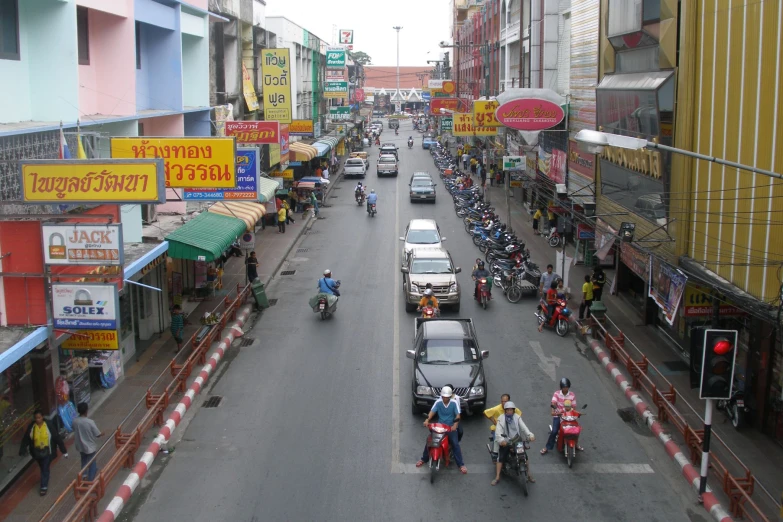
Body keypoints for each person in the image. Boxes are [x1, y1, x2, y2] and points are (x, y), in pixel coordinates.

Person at [416, 387, 467, 474]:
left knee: (455, 444)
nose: (445, 398)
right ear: (441, 396)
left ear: (450, 396)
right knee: (429, 440)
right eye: (443, 396)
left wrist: (455, 425)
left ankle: (461, 464)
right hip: (440, 426)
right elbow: (432, 412)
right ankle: (424, 459)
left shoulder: (454, 403)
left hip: (450, 427)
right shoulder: (438, 402)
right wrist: (427, 420)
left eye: (447, 397)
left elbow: (458, 416)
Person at [20, 409, 68, 496]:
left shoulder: (48, 425)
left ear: (42, 417)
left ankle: (43, 486)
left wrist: (64, 451)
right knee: (42, 467)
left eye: (39, 417)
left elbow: (56, 438)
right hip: (37, 452)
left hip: (47, 452)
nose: (38, 419)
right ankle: (45, 477)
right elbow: (26, 438)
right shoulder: (32, 427)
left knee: (45, 468)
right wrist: (22, 449)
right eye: (36, 418)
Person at [491, 401, 535, 486]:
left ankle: (529, 474)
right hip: (506, 440)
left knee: (525, 456)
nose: (510, 411)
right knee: (501, 457)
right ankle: (497, 477)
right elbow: (498, 432)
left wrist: (530, 435)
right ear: (505, 411)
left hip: (516, 440)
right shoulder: (501, 418)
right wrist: (501, 440)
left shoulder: (517, 417)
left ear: (513, 410)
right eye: (508, 410)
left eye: (511, 410)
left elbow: (524, 428)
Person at [542, 378, 581, 454]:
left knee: (576, 430)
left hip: (569, 416)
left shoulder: (572, 395)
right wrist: (554, 411)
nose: (565, 388)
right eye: (564, 387)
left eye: (566, 387)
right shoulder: (556, 394)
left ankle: (575, 444)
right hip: (558, 415)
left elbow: (573, 407)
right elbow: (553, 403)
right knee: (554, 431)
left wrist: (576, 413)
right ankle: (547, 447)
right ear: (561, 387)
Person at [73, 402, 104, 481]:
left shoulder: (75, 421)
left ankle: (83, 475)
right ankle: (91, 480)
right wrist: (102, 433)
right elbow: (97, 434)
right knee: (92, 462)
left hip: (80, 446)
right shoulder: (90, 422)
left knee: (83, 460)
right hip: (90, 446)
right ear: (86, 410)